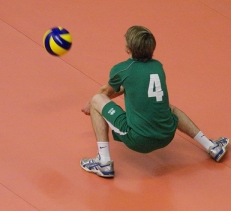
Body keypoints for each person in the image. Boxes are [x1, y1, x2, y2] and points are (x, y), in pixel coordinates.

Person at [80, 25, 229, 178]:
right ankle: (212, 147)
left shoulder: (122, 69)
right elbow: (132, 86)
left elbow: (104, 93)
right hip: (167, 134)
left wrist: (92, 104)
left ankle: (104, 162)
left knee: (97, 99)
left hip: (139, 139)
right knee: (170, 110)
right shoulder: (158, 67)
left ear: (128, 48)